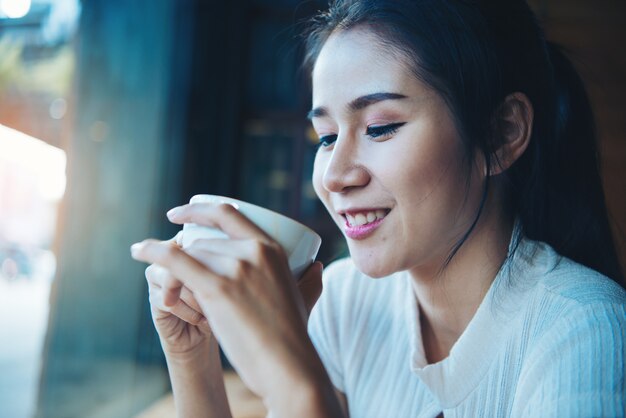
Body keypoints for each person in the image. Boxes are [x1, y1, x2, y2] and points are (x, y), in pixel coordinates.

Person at [130, 0, 626, 416]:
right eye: (325, 136)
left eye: (381, 127)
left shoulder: (583, 330)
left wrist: (298, 385)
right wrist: (192, 358)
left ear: (501, 133)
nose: (335, 175)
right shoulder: (345, 302)